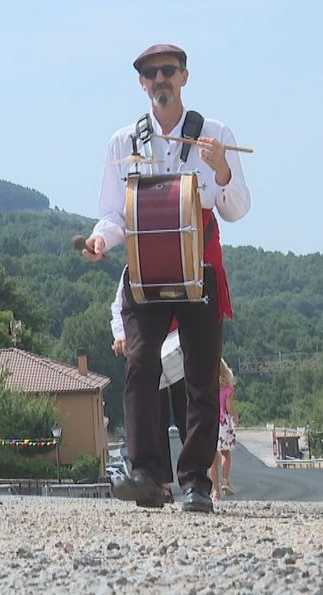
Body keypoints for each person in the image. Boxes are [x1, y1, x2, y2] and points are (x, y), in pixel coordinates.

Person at [82, 43, 250, 514]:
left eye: (168, 71)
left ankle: (196, 482)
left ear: (184, 77)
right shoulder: (123, 143)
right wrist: (101, 242)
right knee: (140, 365)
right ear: (142, 84)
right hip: (145, 269)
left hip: (198, 268)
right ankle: (149, 476)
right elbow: (113, 214)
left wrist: (220, 171)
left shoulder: (215, 135)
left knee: (199, 375)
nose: (160, 79)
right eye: (151, 74)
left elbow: (236, 208)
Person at [111, 289, 187, 504]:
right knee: (153, 417)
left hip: (180, 344)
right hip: (150, 349)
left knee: (188, 415)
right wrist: (120, 335)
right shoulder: (133, 269)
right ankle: (158, 484)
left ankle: (194, 480)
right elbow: (120, 305)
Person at [210, 358, 238, 503]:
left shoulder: (208, 387)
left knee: (213, 457)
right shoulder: (228, 389)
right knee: (225, 453)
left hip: (211, 422)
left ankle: (215, 491)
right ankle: (225, 481)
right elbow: (229, 407)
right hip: (223, 424)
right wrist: (235, 416)